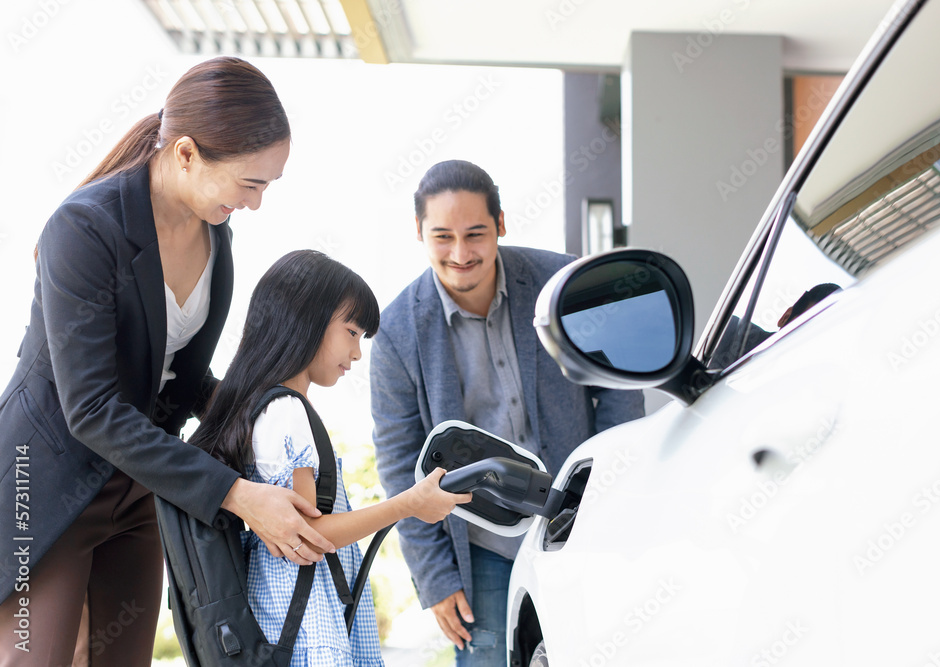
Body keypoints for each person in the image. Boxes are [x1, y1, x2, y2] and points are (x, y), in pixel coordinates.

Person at [0, 57, 334, 666]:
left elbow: (183, 380)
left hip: (142, 480)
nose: (256, 204)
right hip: (44, 481)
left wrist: (267, 404)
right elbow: (93, 409)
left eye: (267, 186)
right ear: (185, 154)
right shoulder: (83, 228)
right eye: (249, 184)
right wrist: (237, 494)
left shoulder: (217, 240)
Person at [370, 160, 646, 665]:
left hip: (580, 518)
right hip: (482, 546)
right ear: (418, 232)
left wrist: (607, 490)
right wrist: (435, 578)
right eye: (442, 237)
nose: (460, 254)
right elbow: (398, 463)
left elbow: (617, 388)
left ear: (500, 222)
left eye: (475, 233)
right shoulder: (396, 332)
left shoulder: (561, 282)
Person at [189, 249, 472, 666]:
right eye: (352, 332)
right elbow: (307, 535)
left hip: (285, 616)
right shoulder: (286, 411)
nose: (357, 354)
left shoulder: (263, 407)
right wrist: (409, 503)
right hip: (306, 623)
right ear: (307, 319)